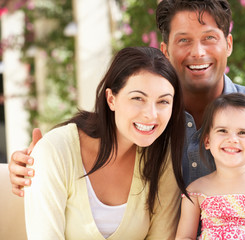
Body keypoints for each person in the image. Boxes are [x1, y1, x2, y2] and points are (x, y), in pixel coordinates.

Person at [9, 0, 245, 239]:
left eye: (209, 38)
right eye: (184, 40)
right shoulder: (151, 125)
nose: (198, 52)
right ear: (164, 50)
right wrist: (40, 160)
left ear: (228, 44)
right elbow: (102, 132)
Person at [22, 46, 187, 239]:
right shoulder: (56, 150)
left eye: (163, 102)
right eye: (137, 98)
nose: (151, 114)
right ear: (111, 99)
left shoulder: (163, 159)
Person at [176, 93, 245, 240]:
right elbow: (184, 237)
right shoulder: (196, 191)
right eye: (222, 131)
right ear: (207, 141)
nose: (232, 139)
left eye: (242, 132)